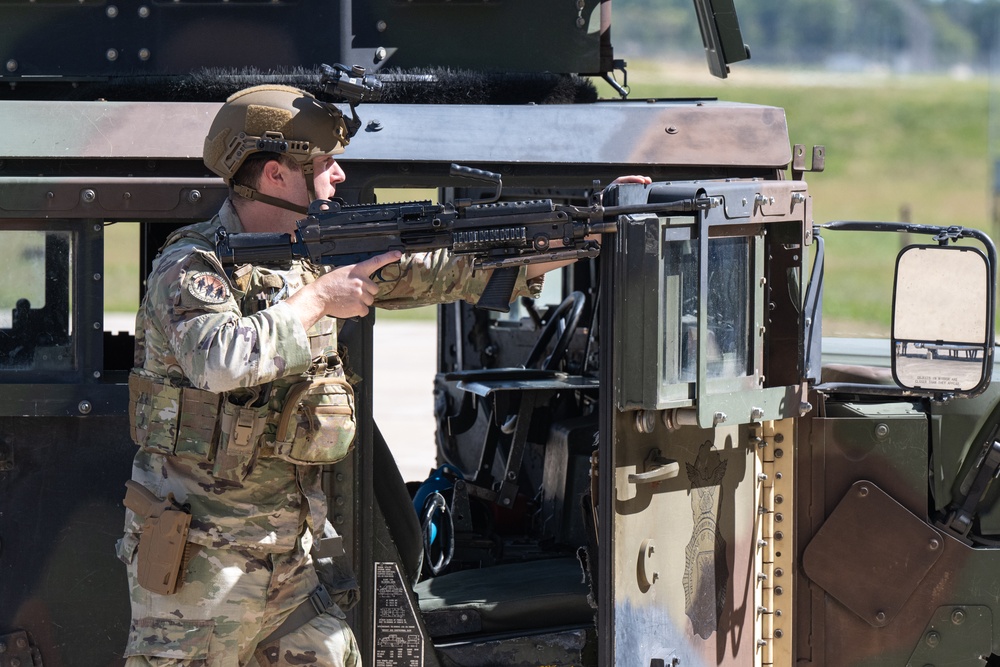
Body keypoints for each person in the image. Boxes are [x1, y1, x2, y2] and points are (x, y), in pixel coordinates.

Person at [117, 83, 649, 667]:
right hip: (202, 569)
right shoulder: (193, 267)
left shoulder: (310, 254)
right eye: (322, 163)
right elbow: (220, 359)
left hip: (287, 564)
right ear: (274, 174)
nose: (338, 175)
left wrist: (586, 231)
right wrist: (320, 299)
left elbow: (453, 269)